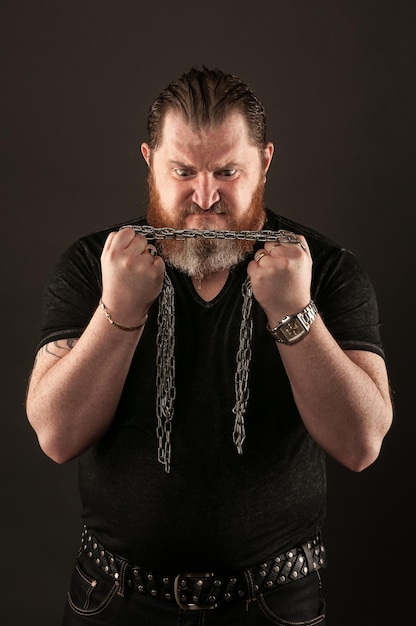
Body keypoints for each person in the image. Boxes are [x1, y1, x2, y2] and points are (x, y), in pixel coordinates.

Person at [26, 66, 393, 625]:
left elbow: (362, 444)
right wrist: (118, 312)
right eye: (183, 171)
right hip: (113, 597)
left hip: (276, 601)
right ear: (149, 161)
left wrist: (295, 313)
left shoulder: (327, 269)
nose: (204, 196)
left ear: (264, 162)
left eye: (227, 171)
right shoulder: (92, 264)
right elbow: (54, 435)